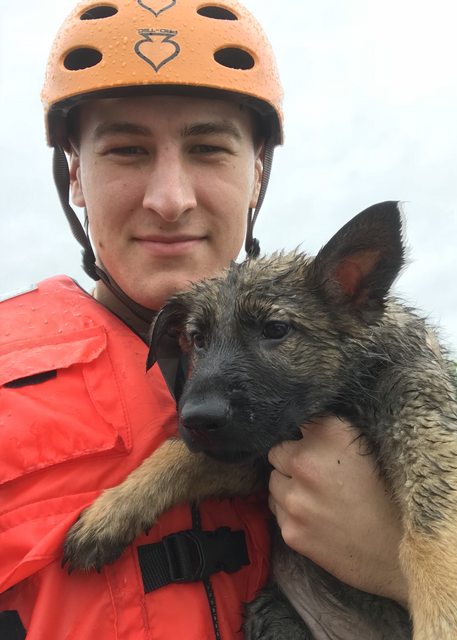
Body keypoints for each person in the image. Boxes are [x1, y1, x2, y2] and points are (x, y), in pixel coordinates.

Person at [0, 1, 407, 638]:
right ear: (76, 174)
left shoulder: (332, 355)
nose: (170, 200)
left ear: (257, 174)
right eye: (128, 150)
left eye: (209, 148)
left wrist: (398, 567)